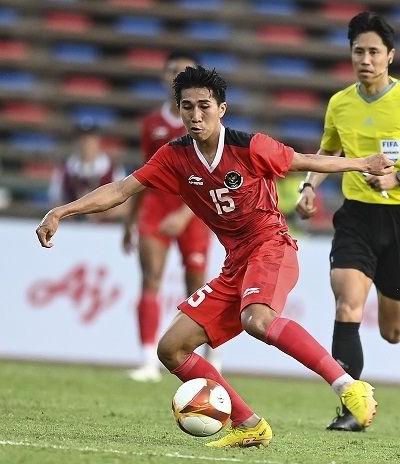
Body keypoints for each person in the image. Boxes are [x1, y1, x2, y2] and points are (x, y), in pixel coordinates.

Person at [36, 66, 383, 447]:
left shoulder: (249, 146)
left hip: (272, 247)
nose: (195, 115)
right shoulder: (174, 156)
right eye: (187, 107)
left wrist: (360, 163)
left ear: (222, 109)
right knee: (171, 348)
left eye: (204, 106)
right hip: (235, 263)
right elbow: (121, 189)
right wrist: (61, 211)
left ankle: (350, 387)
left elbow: (304, 160)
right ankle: (248, 423)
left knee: (258, 319)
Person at [296, 11, 400, 432]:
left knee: (392, 332)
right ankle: (352, 409)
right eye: (359, 51)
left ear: (390, 56)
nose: (367, 59)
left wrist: (396, 175)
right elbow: (329, 153)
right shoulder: (340, 103)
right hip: (356, 217)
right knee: (347, 303)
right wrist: (309, 186)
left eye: (374, 51)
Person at [123, 53, 219, 382]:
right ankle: (148, 360)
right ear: (165, 78)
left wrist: (185, 214)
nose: (177, 76)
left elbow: (210, 176)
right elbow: (143, 173)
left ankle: (212, 357)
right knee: (150, 278)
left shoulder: (205, 123)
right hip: (155, 207)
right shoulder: (152, 123)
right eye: (172, 71)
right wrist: (130, 220)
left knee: (199, 286)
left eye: (184, 71)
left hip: (194, 210)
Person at [48, 118, 126, 221]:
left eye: (90, 140)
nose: (86, 144)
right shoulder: (63, 170)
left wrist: (99, 214)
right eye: (82, 140)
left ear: (98, 141)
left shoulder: (113, 169)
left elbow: (124, 206)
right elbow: (55, 202)